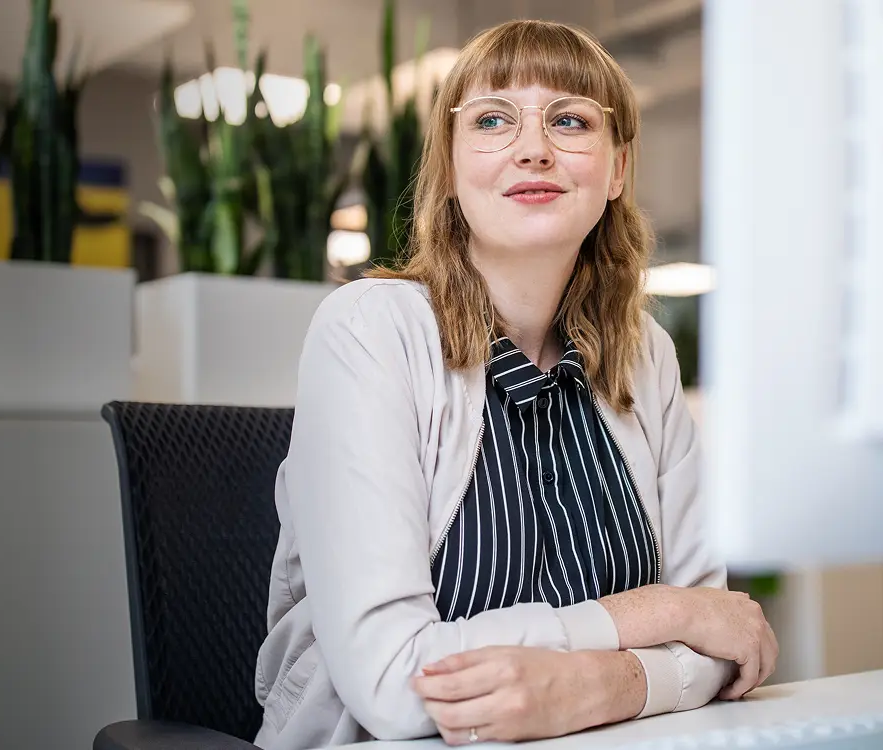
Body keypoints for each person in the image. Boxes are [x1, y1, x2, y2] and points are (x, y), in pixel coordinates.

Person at [253, 18, 778, 750]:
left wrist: (593, 687)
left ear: (616, 169)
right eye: (494, 120)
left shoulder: (643, 353)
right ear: (452, 166)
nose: (533, 148)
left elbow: (720, 640)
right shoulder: (371, 330)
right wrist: (653, 616)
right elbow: (393, 686)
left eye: (569, 120)